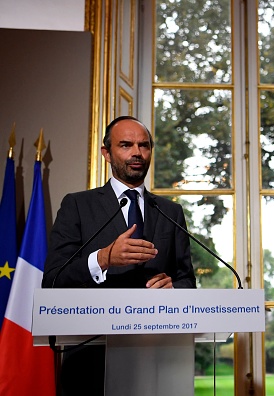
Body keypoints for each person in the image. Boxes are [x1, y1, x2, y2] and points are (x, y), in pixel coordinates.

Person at [42, 116, 196, 395]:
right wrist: (102, 258)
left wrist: (173, 287)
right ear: (106, 153)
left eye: (144, 145)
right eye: (126, 145)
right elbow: (53, 279)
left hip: (158, 358)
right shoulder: (77, 205)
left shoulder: (170, 211)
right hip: (89, 360)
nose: (137, 152)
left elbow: (187, 280)